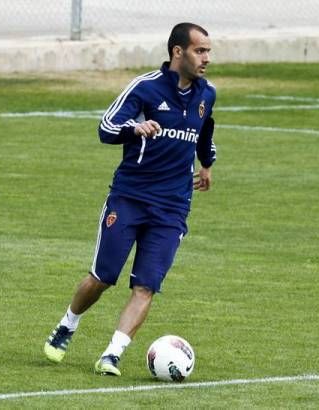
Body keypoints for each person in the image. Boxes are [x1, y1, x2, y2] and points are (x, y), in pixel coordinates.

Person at [44, 22, 216, 376]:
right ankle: (67, 324)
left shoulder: (206, 94)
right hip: (130, 199)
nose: (207, 58)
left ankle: (112, 354)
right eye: (200, 51)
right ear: (177, 52)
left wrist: (207, 164)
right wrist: (134, 128)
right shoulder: (146, 88)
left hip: (172, 207)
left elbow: (204, 129)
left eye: (208, 51)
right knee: (102, 277)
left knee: (146, 285)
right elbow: (105, 127)